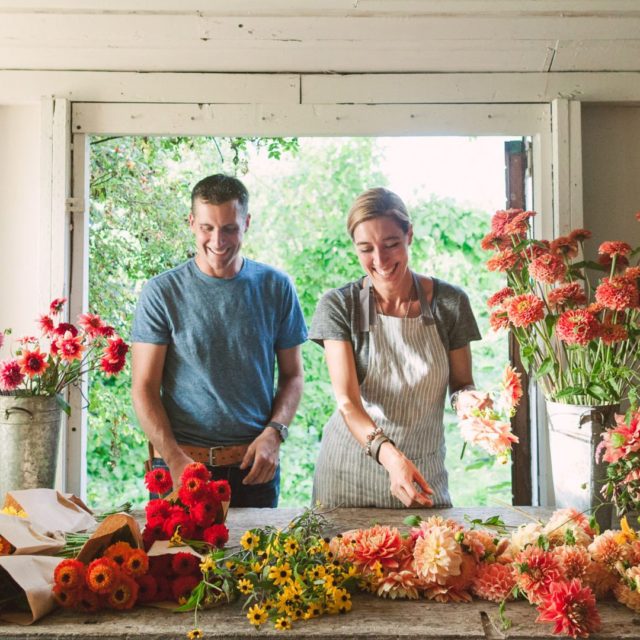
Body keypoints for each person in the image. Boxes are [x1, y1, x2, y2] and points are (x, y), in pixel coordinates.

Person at [131, 174, 307, 507]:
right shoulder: (161, 293)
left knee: (255, 561)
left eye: (229, 228)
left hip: (254, 467)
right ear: (191, 223)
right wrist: (174, 458)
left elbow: (293, 376)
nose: (218, 240)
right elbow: (143, 387)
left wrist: (275, 433)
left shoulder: (276, 287)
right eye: (207, 228)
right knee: (173, 559)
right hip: (179, 465)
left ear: (247, 223)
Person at [309, 187, 484, 508]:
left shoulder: (450, 303)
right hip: (347, 476)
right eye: (366, 249)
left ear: (410, 235)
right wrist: (391, 458)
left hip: (422, 473)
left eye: (390, 244)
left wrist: (471, 405)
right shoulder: (340, 305)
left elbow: (461, 384)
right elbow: (348, 403)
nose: (380, 260)